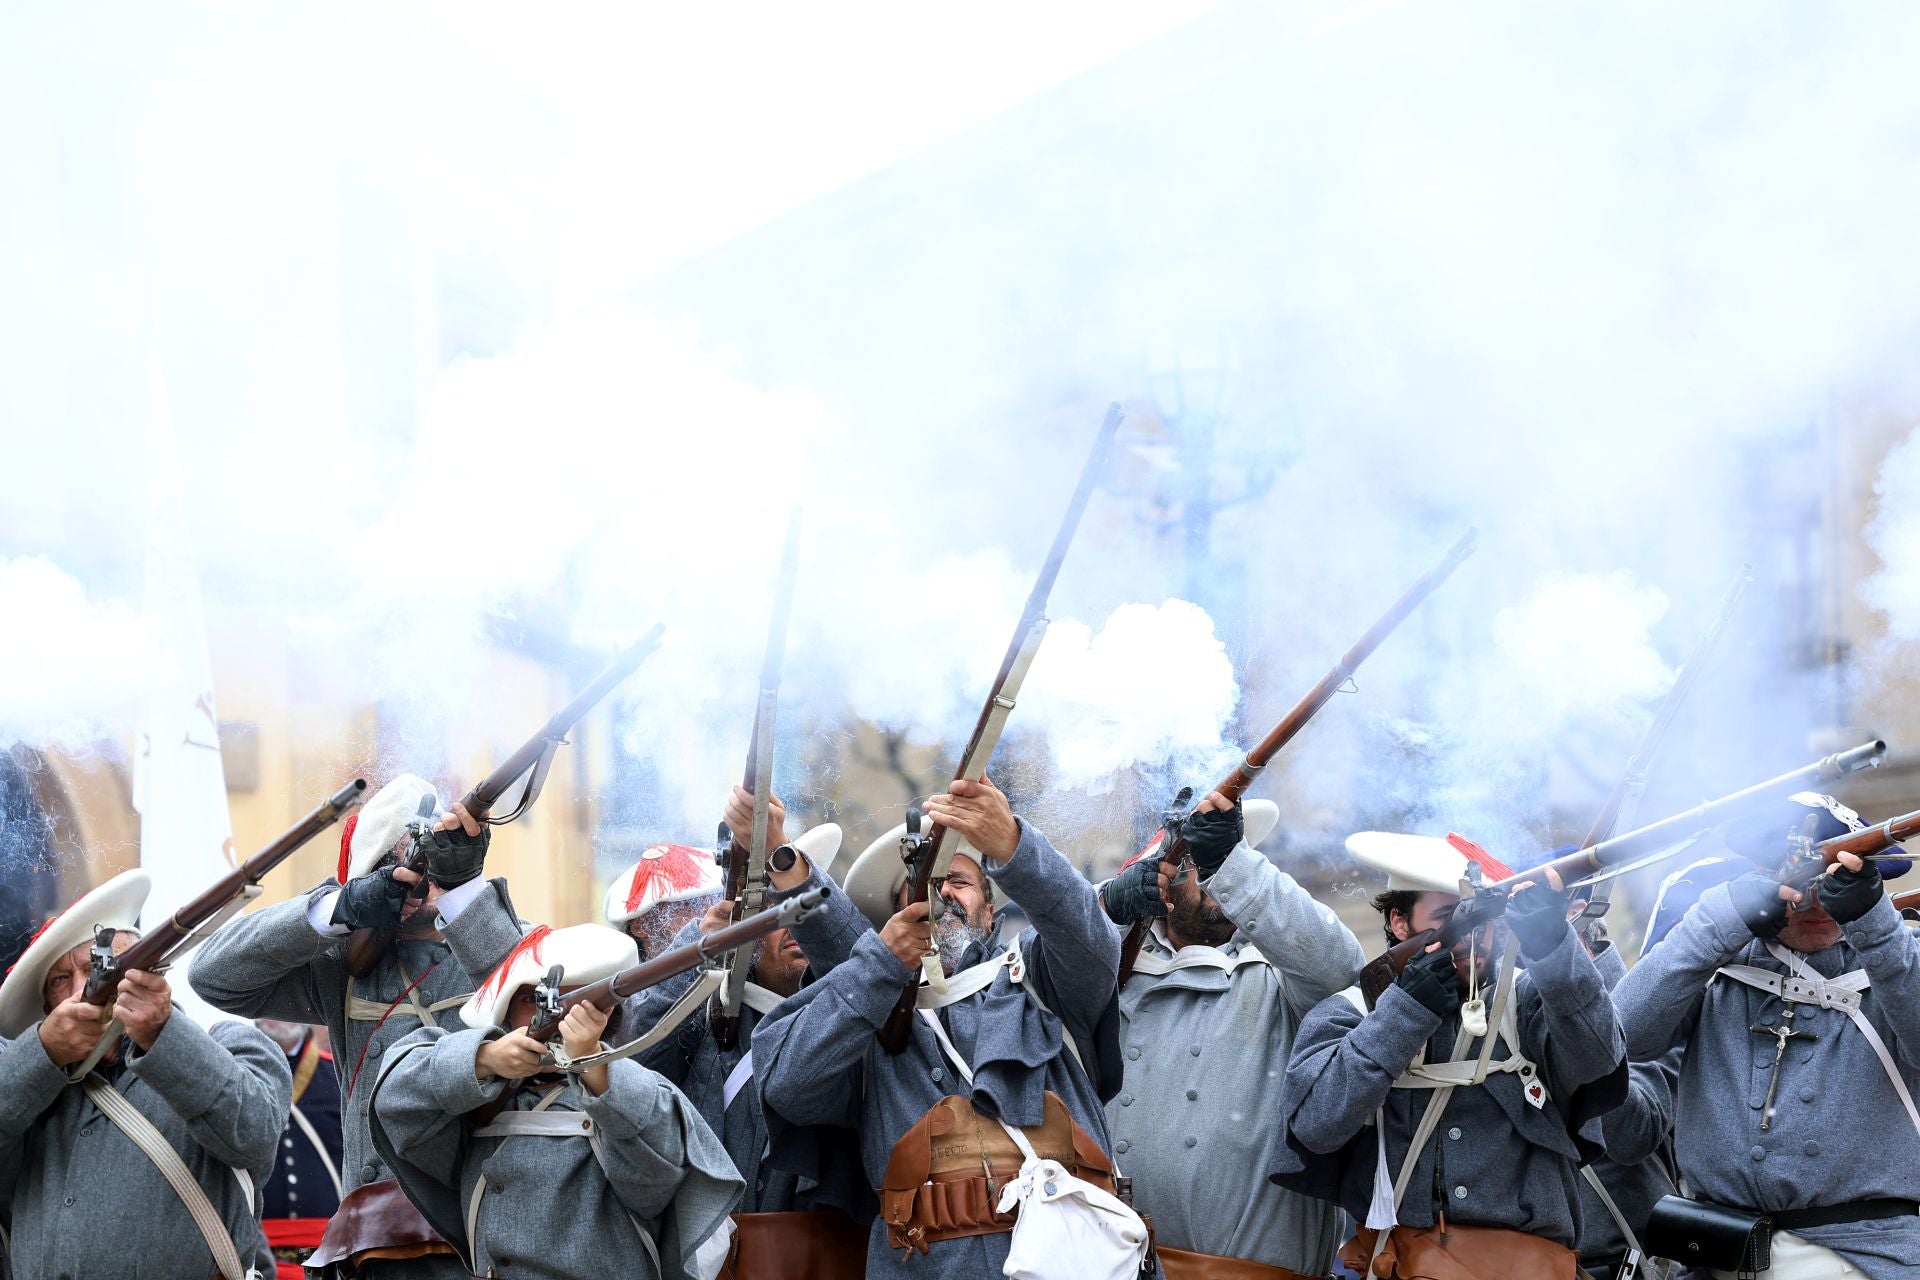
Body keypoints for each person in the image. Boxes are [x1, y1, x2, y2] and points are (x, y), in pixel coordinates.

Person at [752, 777, 1127, 1278]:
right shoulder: (868, 1007)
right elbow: (787, 1083)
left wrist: (1011, 842)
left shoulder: (1040, 979)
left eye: (961, 882)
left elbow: (1090, 940)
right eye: (925, 885)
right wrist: (880, 965)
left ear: (992, 914)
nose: (942, 893)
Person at [190, 773, 527, 1277]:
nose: (426, 868)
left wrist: (465, 889)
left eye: (435, 853)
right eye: (409, 857)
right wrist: (340, 908)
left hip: (488, 1228)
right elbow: (212, 975)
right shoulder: (340, 970)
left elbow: (529, 993)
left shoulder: (492, 938)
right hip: (379, 1241)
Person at [1272, 831, 1626, 1280]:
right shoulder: (1356, 1011)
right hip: (1400, 1264)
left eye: (1482, 918)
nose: (1473, 938)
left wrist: (1555, 948)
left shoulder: (1535, 997)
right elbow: (1315, 1126)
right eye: (1449, 917)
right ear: (1400, 922)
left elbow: (1602, 1062)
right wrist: (1402, 1014)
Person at [1612, 793, 1920, 1279]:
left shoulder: (1898, 956)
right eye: (1802, 881)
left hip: (1869, 1259)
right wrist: (1717, 923)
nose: (1817, 902)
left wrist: (1876, 925)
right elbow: (1620, 1040)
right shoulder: (1714, 960)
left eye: (1834, 886)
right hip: (1714, 1255)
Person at [370, 921, 743, 1280]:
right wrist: (484, 1058)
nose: (559, 1013)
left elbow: (657, 1180)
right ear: (507, 1010)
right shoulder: (483, 1095)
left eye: (580, 1001)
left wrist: (593, 1064)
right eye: (536, 999)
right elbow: (394, 1098)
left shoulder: (630, 1091)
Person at [1100, 792, 1364, 1279]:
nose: (1219, 882)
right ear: (1165, 882)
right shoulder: (1114, 969)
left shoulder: (1283, 970)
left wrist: (1235, 864)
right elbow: (1039, 970)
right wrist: (1105, 909)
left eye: (1223, 863)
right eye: (1202, 864)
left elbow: (1341, 968)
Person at [618, 789, 872, 1276]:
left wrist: (776, 848)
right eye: (774, 913)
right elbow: (640, 1061)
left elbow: (867, 967)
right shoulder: (714, 1014)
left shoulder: (856, 1013)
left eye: (800, 908)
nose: (791, 926)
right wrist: (701, 949)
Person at [0, 869, 291, 1280]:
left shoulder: (234, 1046)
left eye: (99, 968)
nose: (83, 989)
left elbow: (254, 1138)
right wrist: (43, 1052)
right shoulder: (29, 1083)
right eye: (62, 980)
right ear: (48, 1008)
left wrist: (163, 1034)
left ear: (148, 972)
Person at [255, 1018, 345, 1277]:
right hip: (254, 1256)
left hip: (328, 1255)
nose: (278, 1013)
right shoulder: (233, 1073)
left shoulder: (339, 1078)